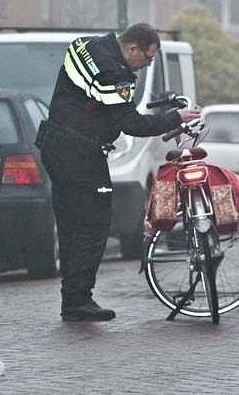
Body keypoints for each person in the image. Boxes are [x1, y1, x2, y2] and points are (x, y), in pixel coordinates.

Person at [36, 24, 200, 322]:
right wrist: (175, 117)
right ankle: (78, 301)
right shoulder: (114, 73)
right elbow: (132, 124)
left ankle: (72, 299)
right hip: (80, 154)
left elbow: (92, 100)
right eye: (147, 58)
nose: (147, 64)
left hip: (54, 144)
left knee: (71, 224)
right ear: (132, 48)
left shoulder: (84, 45)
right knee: (93, 226)